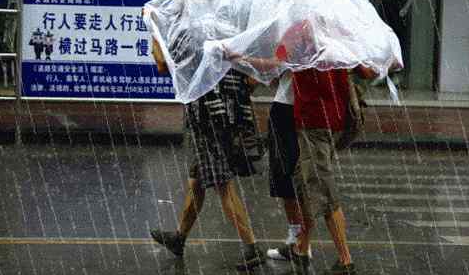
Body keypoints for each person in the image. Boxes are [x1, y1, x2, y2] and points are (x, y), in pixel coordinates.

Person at [226, 21, 378, 275]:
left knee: (323, 192)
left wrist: (239, 58)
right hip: (332, 121)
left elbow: (272, 67)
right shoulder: (338, 34)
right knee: (305, 186)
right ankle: (300, 248)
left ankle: (345, 260)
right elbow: (367, 72)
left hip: (312, 123)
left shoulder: (301, 35)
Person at [148, 34, 266, 271]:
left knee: (224, 187)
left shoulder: (191, 38)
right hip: (225, 117)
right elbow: (251, 81)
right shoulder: (228, 36)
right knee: (197, 183)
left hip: (207, 122)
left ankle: (252, 247)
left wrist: (154, 32)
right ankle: (179, 238)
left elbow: (162, 64)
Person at [265, 70, 312, 261]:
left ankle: (300, 242)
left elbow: (274, 71)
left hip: (287, 109)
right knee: (296, 178)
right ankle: (298, 240)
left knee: (286, 178)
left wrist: (242, 58)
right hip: (307, 110)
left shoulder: (293, 41)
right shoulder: (327, 43)